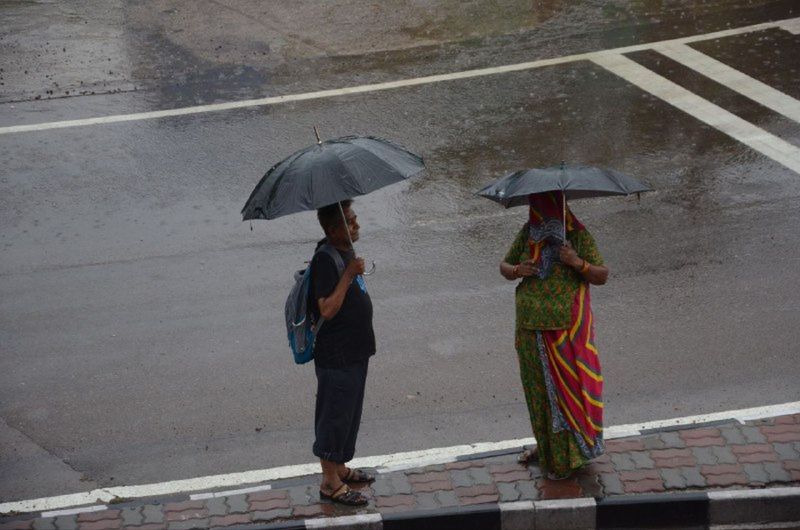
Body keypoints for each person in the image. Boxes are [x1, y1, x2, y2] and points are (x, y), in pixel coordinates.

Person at [499, 191, 609, 480]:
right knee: (538, 394)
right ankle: (546, 449)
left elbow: (601, 274)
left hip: (564, 335)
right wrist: (517, 270)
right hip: (529, 330)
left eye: (547, 209)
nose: (542, 217)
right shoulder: (528, 234)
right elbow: (504, 266)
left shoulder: (577, 235)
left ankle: (567, 458)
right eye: (537, 209)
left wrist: (576, 262)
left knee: (565, 396)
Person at [309, 199, 376, 505]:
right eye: (350, 221)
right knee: (334, 415)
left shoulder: (343, 250)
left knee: (349, 414)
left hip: (354, 350)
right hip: (336, 354)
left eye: (355, 218)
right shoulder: (325, 259)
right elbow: (327, 308)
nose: (356, 225)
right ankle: (329, 481)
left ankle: (340, 467)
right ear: (334, 229)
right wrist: (349, 274)